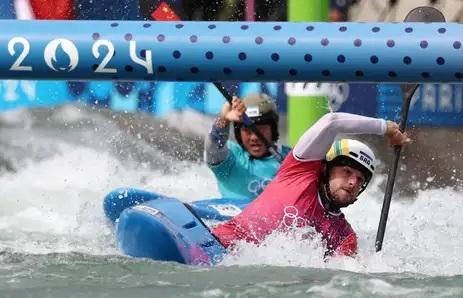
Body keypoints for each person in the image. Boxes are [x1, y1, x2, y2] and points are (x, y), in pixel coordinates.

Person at [211, 112, 409, 257]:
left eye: (360, 180)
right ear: (325, 169)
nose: (352, 182)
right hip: (219, 247)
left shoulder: (345, 238)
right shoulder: (299, 172)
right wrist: (386, 128)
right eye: (347, 172)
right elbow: (331, 122)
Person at [205, 93, 291, 200]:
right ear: (238, 133)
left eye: (261, 129)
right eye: (246, 130)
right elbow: (213, 148)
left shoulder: (290, 158)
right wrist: (224, 119)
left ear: (272, 130)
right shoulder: (230, 158)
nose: (254, 137)